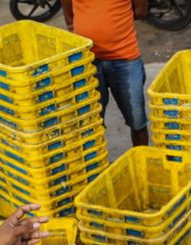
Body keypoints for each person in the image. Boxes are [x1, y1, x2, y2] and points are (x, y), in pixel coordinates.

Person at [62, 0, 150, 147]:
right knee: (92, 124)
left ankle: (140, 162)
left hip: (125, 57)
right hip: (87, 60)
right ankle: (99, 166)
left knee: (137, 121)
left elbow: (141, 11)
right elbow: (69, 14)